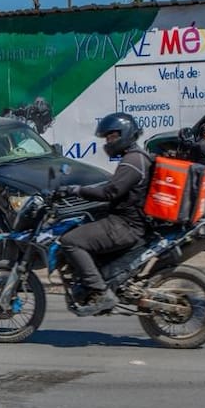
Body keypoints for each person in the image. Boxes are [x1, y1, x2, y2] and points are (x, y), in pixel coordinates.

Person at [55, 112, 152, 315]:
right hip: (126, 221)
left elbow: (110, 192)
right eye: (107, 138)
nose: (108, 142)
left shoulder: (132, 161)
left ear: (125, 134)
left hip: (125, 225)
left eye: (112, 137)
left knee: (70, 241)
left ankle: (100, 292)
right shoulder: (135, 158)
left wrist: (77, 190)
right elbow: (115, 187)